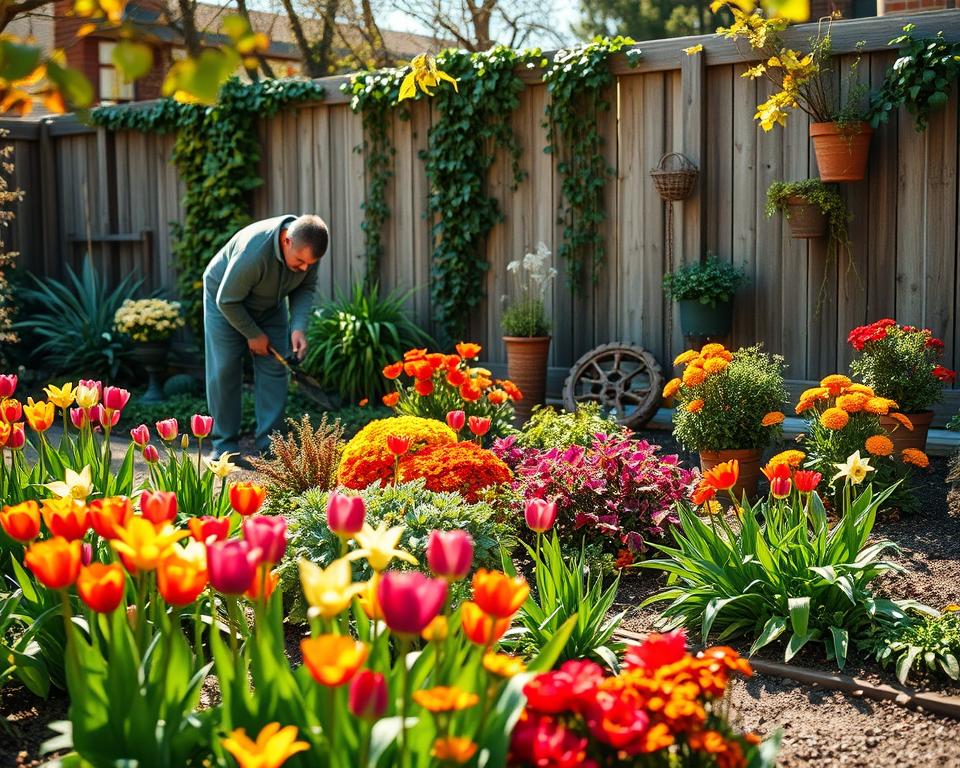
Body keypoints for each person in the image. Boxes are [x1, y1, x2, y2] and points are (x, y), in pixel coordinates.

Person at [203, 214, 328, 460]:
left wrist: (298, 327)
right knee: (225, 367)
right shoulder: (254, 251)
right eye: (300, 261)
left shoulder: (308, 250)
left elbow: (305, 288)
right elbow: (227, 300)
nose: (304, 267)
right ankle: (224, 445)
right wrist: (253, 334)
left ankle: (271, 448)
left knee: (275, 366)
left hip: (269, 305)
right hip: (226, 303)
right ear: (286, 240)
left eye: (309, 264)